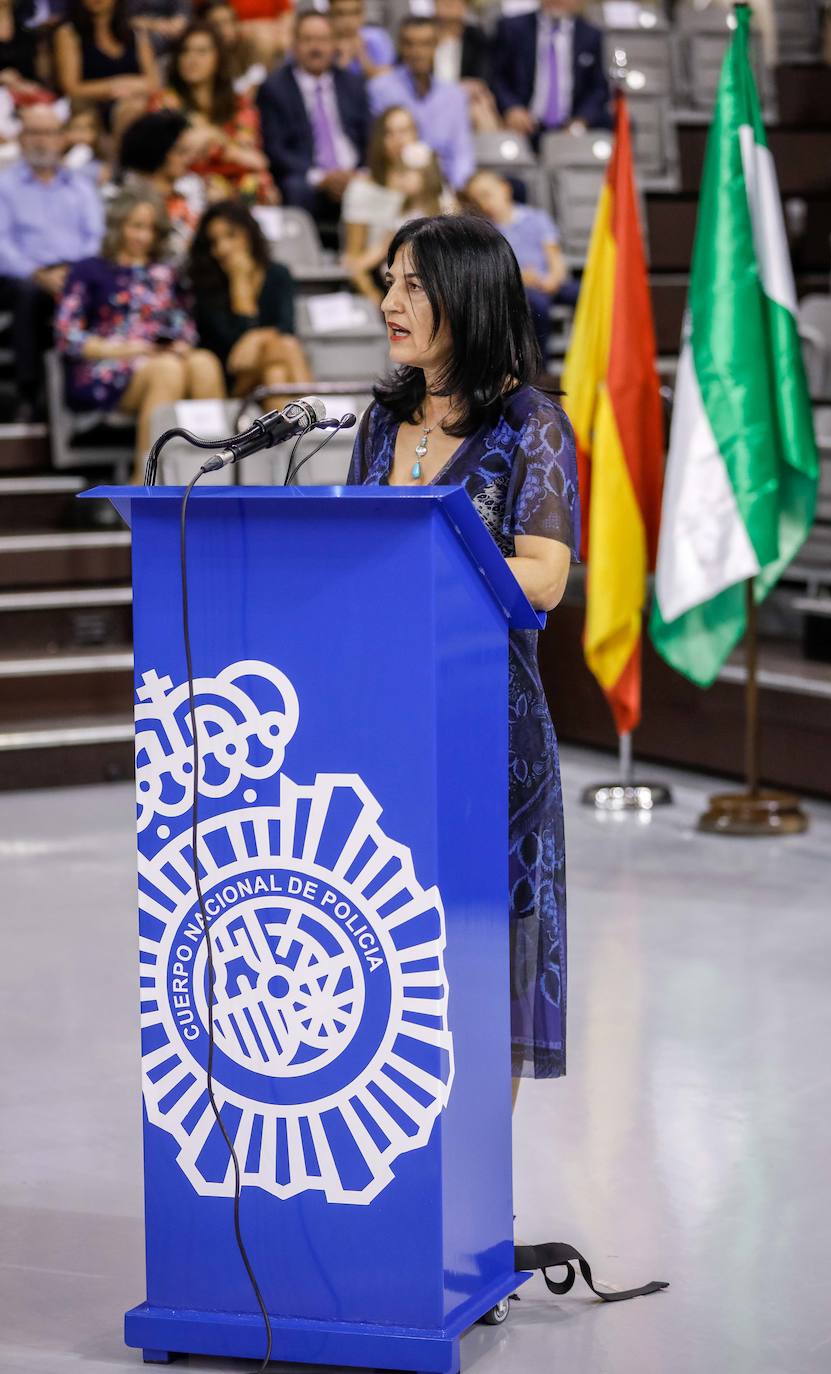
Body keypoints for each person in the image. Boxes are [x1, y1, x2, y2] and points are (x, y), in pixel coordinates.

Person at [347, 214, 578, 1086]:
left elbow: (546, 578)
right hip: (375, 727)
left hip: (489, 733)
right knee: (389, 953)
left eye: (411, 285)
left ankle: (473, 1203)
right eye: (391, 282)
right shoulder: (382, 421)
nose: (388, 303)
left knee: (482, 964)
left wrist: (416, 576)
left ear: (467, 297)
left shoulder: (531, 423)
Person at [56, 186, 225, 482]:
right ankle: (146, 481)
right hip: (108, 366)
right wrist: (128, 349)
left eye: (151, 229)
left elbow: (184, 324)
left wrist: (178, 345)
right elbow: (67, 336)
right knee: (166, 371)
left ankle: (212, 477)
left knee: (204, 363)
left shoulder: (167, 272)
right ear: (118, 225)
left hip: (163, 357)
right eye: (136, 226)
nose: (143, 236)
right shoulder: (89, 270)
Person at [0, 103, 104, 417]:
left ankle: (95, 390)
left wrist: (74, 274)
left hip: (75, 274)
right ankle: (28, 395)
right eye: (34, 133)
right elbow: (2, 245)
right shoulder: (5, 185)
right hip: (22, 278)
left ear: (62, 139)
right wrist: (37, 274)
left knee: (107, 288)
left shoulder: (81, 187)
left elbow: (95, 238)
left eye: (49, 133)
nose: (42, 141)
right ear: (21, 138)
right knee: (28, 296)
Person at [189, 199, 311, 406]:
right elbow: (235, 350)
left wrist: (256, 337)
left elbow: (286, 326)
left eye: (231, 236)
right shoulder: (207, 284)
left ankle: (291, 436)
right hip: (231, 379)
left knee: (276, 373)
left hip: (268, 367)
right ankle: (319, 418)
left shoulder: (278, 273)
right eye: (214, 242)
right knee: (286, 347)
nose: (223, 248)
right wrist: (239, 283)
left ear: (249, 234)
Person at [257, 8, 369, 228]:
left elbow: (369, 137)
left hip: (354, 175)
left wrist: (359, 174)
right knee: (294, 188)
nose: (316, 48)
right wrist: (321, 179)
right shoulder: (274, 88)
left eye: (322, 40)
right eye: (308, 40)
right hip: (308, 178)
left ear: (334, 44)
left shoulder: (353, 83)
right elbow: (275, 149)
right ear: (294, 44)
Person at [464, 168, 577, 364]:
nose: (484, 203)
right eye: (478, 199)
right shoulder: (486, 231)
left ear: (505, 189)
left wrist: (553, 278)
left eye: (487, 194)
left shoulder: (537, 218)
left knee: (584, 293)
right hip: (518, 287)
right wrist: (521, 277)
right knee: (536, 304)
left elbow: (554, 256)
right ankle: (541, 367)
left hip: (548, 281)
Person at [342, 106, 452, 304]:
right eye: (389, 133)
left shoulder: (436, 190)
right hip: (386, 282)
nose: (398, 140)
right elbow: (356, 258)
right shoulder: (362, 188)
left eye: (404, 131)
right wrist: (376, 301)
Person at [159, 20, 276, 204]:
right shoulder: (165, 102)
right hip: (186, 182)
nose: (192, 59)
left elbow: (253, 159)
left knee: (262, 185)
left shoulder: (239, 104)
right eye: (185, 51)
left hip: (232, 182)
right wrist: (225, 145)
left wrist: (211, 135)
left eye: (202, 51)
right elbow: (177, 154)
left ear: (218, 57)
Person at [369, 16, 474, 191]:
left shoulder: (454, 96)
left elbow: (462, 153)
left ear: (436, 45)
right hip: (397, 184)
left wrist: (458, 191)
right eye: (410, 44)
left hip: (446, 187)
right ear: (401, 46)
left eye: (425, 44)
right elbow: (379, 148)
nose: (417, 52)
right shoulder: (380, 89)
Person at [491, 0, 611, 141]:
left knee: (620, 121)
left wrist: (582, 120)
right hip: (525, 123)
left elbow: (598, 88)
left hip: (570, 126)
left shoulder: (591, 35)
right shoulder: (511, 28)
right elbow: (495, 77)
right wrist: (511, 108)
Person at [53, 0, 160, 127]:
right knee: (131, 110)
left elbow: (153, 82)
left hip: (136, 102)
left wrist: (127, 89)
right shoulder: (69, 33)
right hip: (92, 106)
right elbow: (71, 88)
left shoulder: (136, 33)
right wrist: (114, 86)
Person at [118, 108, 205, 252]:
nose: (188, 159)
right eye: (180, 152)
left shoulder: (191, 194)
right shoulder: (126, 200)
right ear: (158, 152)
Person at [433, 0, 498, 133]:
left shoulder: (476, 37)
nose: (448, 6)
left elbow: (480, 81)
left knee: (481, 106)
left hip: (464, 100)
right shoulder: (424, 34)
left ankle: (490, 151)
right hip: (428, 97)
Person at [201, 0, 262, 95]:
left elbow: (258, 73)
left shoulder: (247, 46)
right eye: (216, 25)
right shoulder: (204, 59)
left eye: (229, 22)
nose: (225, 29)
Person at [328, 0, 393, 80]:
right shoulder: (322, 43)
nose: (348, 20)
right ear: (330, 15)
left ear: (363, 14)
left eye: (355, 12)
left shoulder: (377, 37)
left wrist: (361, 53)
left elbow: (389, 77)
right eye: (340, 13)